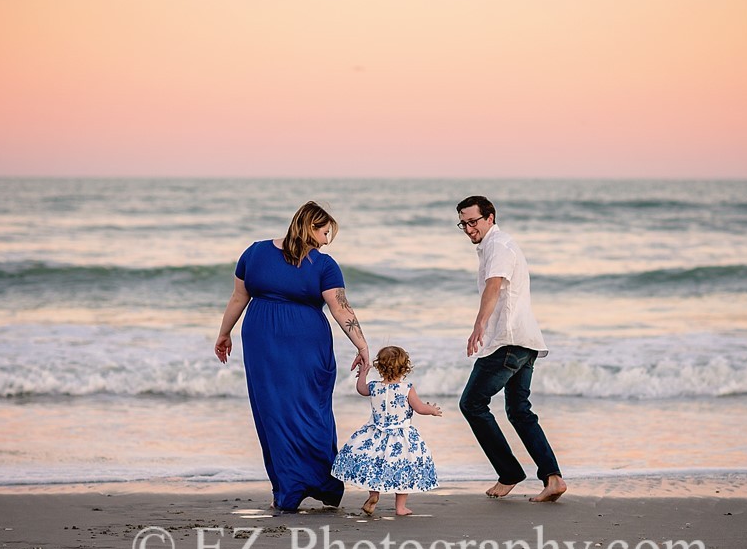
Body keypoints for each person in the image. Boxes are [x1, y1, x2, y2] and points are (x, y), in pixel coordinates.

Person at [215, 201, 369, 511]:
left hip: (276, 342)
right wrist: (363, 346)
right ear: (311, 227)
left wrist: (225, 332)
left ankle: (295, 487)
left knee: (283, 412)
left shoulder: (256, 251)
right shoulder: (321, 265)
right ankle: (301, 485)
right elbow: (341, 308)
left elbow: (238, 298)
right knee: (294, 411)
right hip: (283, 344)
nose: (327, 241)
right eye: (326, 233)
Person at [455, 195, 567, 502]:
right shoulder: (495, 245)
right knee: (519, 411)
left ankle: (509, 473)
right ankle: (553, 478)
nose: (468, 228)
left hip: (507, 341)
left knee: (472, 404)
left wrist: (479, 324)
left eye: (473, 221)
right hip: (525, 341)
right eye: (463, 223)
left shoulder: (498, 246)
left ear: (490, 217)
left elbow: (494, 285)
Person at [331, 345, 441, 516]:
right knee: (404, 469)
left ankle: (373, 495)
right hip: (401, 438)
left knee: (374, 466)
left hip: (375, 434)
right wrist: (432, 410)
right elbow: (419, 408)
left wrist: (363, 375)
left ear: (380, 367)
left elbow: (361, 389)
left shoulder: (374, 387)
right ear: (405, 367)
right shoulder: (406, 388)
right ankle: (400, 507)